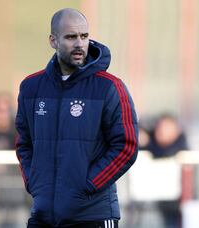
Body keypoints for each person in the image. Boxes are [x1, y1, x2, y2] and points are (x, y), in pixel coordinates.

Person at [15, 8, 138, 228]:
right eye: (71, 37)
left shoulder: (110, 87)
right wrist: (35, 183)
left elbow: (126, 147)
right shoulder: (31, 87)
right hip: (43, 215)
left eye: (84, 36)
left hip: (92, 215)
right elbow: (24, 144)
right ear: (53, 41)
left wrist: (88, 184)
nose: (80, 44)